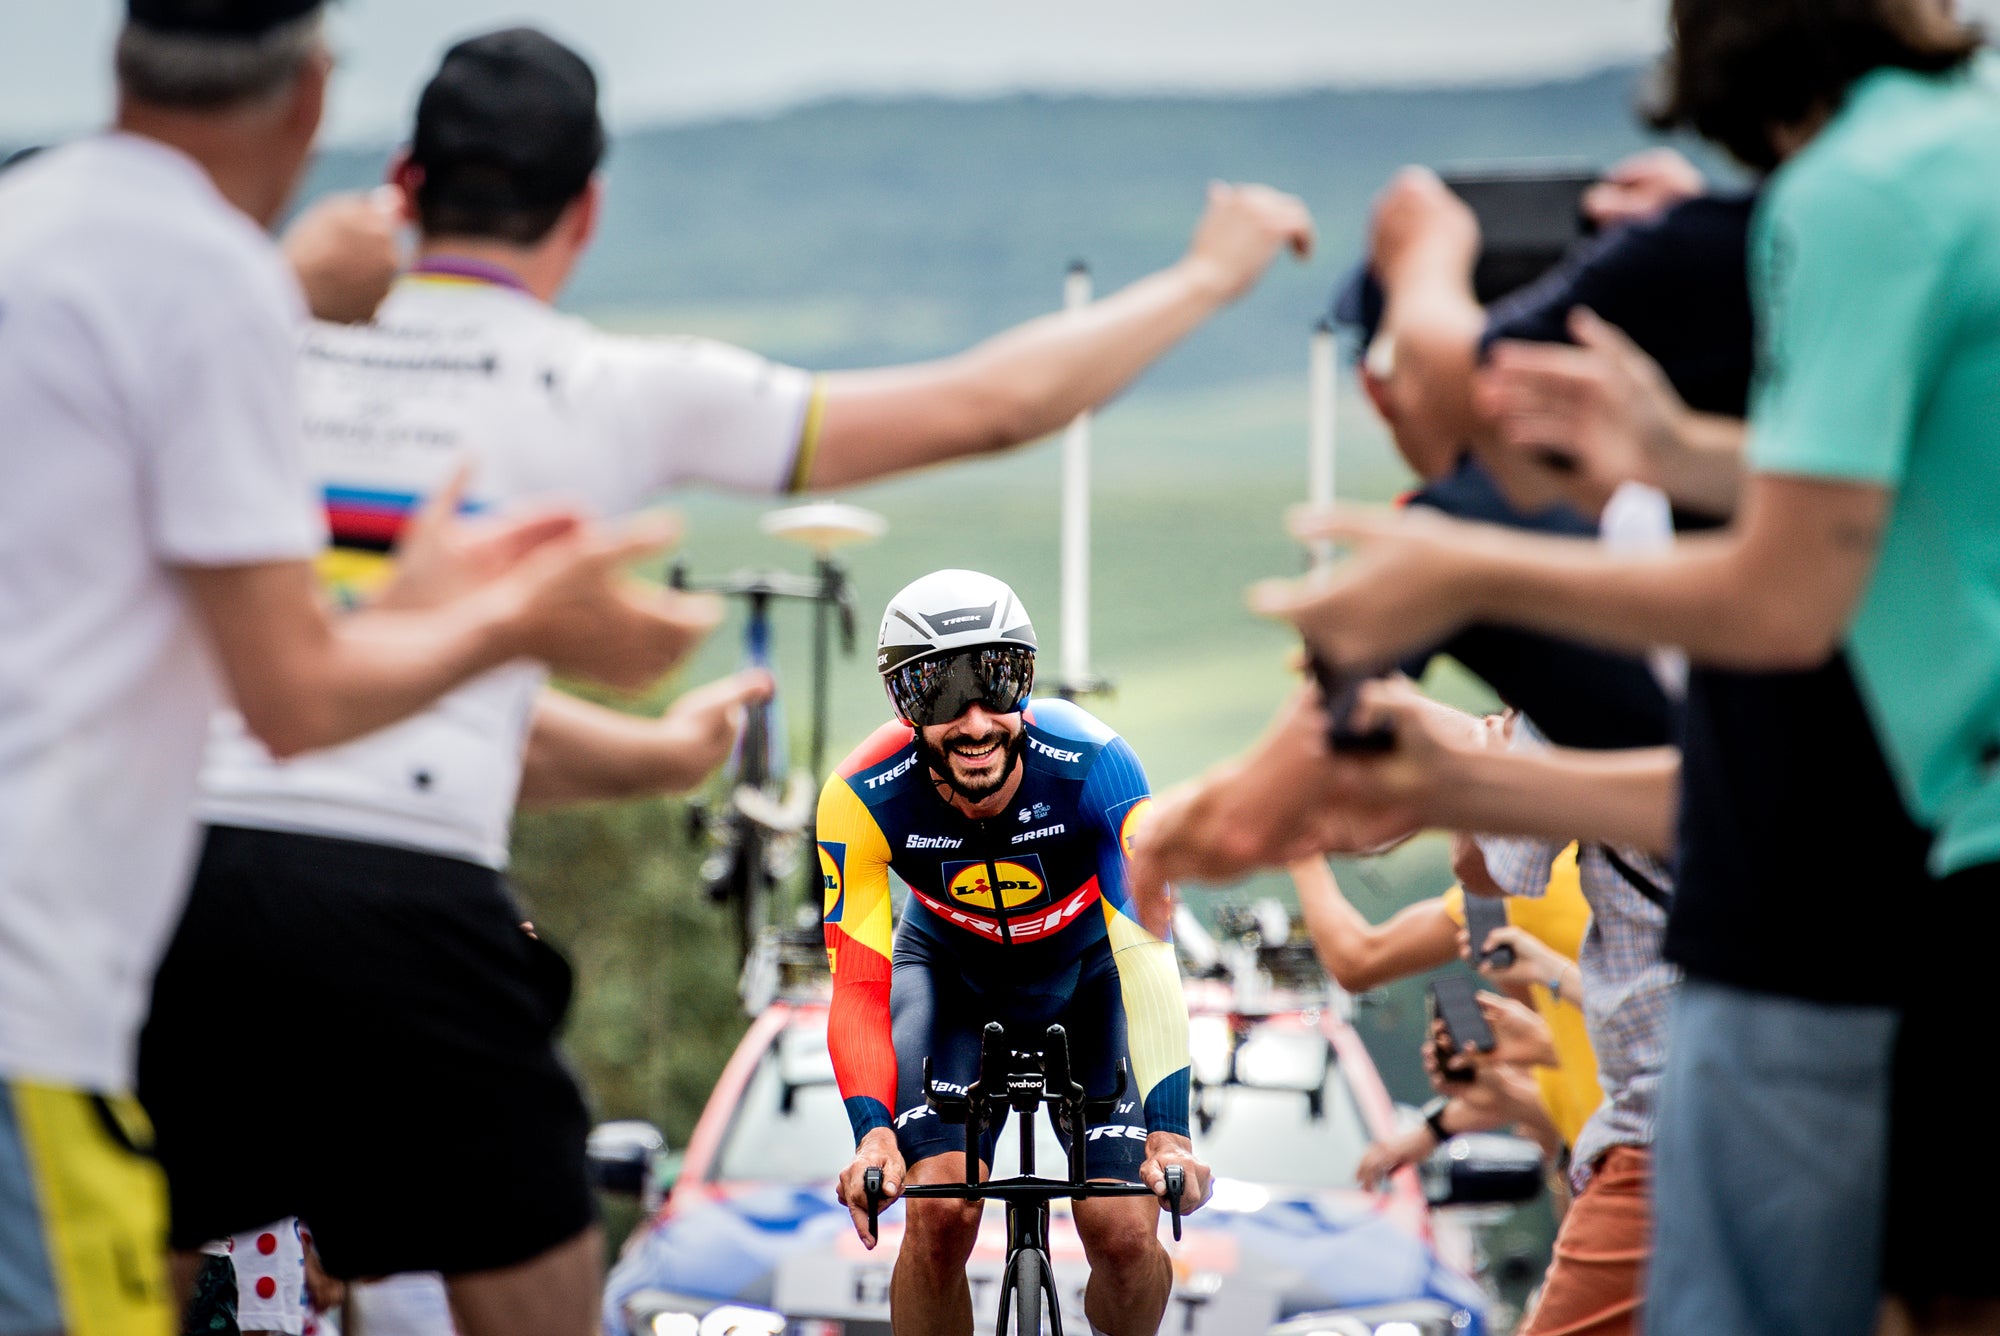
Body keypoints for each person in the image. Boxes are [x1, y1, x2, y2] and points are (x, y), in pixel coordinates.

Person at [136, 24, 1314, 1333]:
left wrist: (285, 289)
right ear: (587, 209)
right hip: (411, 889)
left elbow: (337, 667)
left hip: (180, 877)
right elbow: (992, 406)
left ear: (402, 186)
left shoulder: (241, 349)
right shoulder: (611, 384)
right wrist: (1213, 273)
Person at [1252, 4, 1994, 1331]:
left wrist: (1426, 269)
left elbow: (1778, 597)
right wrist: (1675, 449)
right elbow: (1864, 512)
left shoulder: (1859, 195)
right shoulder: (1963, 152)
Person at [0, 3, 710, 1331]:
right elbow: (295, 697)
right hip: (58, 988)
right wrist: (507, 625)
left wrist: (658, 748)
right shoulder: (206, 293)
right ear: (311, 94)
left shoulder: (54, 246)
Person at [818, 571, 1203, 1336]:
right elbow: (861, 986)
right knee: (940, 1216)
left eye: (996, 681)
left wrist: (1170, 1129)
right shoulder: (860, 795)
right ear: (903, 705)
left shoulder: (1099, 765)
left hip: (1090, 976)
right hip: (951, 980)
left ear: (1026, 680)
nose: (973, 721)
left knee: (1124, 1234)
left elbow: (1148, 958)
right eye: (938, 692)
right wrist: (872, 1131)